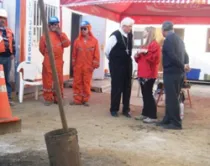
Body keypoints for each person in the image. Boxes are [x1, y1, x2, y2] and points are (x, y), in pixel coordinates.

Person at [157, 21, 188, 130]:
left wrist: (182, 66)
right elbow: (185, 54)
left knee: (172, 98)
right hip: (179, 73)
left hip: (172, 72)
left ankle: (175, 123)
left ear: (163, 30)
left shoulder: (168, 40)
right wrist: (185, 65)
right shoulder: (179, 39)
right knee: (172, 97)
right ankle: (167, 119)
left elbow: (171, 55)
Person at [105, 17, 135, 118]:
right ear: (124, 26)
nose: (131, 28)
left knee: (127, 87)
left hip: (127, 64)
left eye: (131, 26)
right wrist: (115, 60)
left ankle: (126, 109)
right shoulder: (115, 36)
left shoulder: (130, 35)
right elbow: (107, 51)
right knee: (117, 87)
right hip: (117, 65)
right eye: (129, 26)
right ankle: (114, 109)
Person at [39, 16, 71, 106]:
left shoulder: (61, 35)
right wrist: (48, 57)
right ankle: (48, 98)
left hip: (58, 62)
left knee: (59, 80)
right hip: (48, 62)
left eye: (55, 24)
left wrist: (60, 33)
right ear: (49, 25)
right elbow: (41, 49)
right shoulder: (44, 36)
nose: (54, 26)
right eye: (52, 24)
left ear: (58, 25)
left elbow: (67, 44)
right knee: (48, 80)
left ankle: (58, 98)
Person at [134, 27, 161, 123]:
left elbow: (155, 60)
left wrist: (146, 52)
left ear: (149, 32)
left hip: (149, 74)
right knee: (144, 95)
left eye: (145, 31)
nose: (143, 32)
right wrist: (137, 55)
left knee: (148, 94)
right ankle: (145, 113)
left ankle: (153, 116)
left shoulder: (155, 45)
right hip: (142, 73)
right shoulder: (145, 44)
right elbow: (139, 60)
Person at [71, 21, 100, 106]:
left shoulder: (94, 41)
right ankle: (77, 100)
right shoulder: (77, 41)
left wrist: (93, 66)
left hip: (88, 67)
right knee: (77, 83)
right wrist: (74, 66)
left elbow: (96, 55)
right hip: (78, 66)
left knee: (86, 83)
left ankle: (85, 100)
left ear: (89, 29)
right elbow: (74, 55)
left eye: (85, 28)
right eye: (81, 29)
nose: (83, 30)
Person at [0, 9, 16, 106]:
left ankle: (8, 98)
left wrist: (13, 53)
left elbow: (13, 43)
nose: (2, 20)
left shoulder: (9, 31)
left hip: (7, 58)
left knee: (6, 78)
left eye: (4, 18)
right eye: (0, 18)